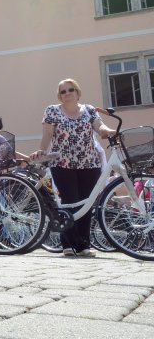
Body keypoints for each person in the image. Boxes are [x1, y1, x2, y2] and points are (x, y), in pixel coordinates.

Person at [29, 78, 115, 257]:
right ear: (59, 96)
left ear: (77, 92)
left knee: (85, 204)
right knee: (69, 202)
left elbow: (100, 126)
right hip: (63, 164)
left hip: (89, 164)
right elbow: (47, 134)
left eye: (71, 89)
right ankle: (67, 244)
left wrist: (108, 130)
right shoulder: (52, 111)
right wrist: (41, 151)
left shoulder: (89, 110)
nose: (67, 93)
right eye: (63, 91)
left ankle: (84, 245)